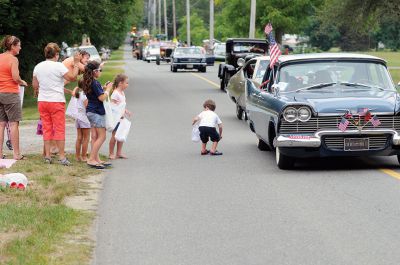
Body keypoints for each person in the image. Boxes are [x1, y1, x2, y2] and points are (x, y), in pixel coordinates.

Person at [32, 42, 81, 165]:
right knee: (59, 128)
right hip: (56, 101)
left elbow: (35, 85)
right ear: (57, 54)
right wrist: (75, 63)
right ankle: (62, 156)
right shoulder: (58, 66)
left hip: (43, 101)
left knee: (47, 128)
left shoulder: (38, 66)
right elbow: (72, 77)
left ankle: (47, 156)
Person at [0, 35, 27, 160]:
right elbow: (15, 77)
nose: (20, 48)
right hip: (10, 93)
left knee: (1, 124)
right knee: (13, 124)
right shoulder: (13, 59)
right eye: (19, 45)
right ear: (12, 46)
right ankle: (16, 154)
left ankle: (0, 154)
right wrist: (22, 82)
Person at [82, 61, 113, 169]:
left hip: (91, 111)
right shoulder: (94, 83)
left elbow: (96, 94)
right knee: (102, 137)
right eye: (100, 70)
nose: (101, 72)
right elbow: (101, 98)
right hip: (96, 112)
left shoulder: (89, 82)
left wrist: (103, 89)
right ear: (94, 72)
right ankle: (91, 159)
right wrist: (108, 90)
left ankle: (96, 159)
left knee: (95, 137)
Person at [108, 74, 132, 159]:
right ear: (120, 83)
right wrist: (117, 116)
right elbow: (112, 106)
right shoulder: (115, 93)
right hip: (116, 119)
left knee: (121, 135)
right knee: (114, 136)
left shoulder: (122, 93)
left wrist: (125, 111)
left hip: (121, 118)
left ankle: (119, 153)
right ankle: (111, 153)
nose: (127, 85)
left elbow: (121, 105)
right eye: (126, 83)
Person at [72, 80, 90, 162]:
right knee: (86, 138)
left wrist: (76, 88)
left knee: (79, 138)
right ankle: (84, 156)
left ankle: (77, 156)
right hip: (84, 118)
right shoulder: (86, 96)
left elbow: (73, 92)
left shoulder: (78, 94)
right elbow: (87, 107)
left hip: (78, 117)